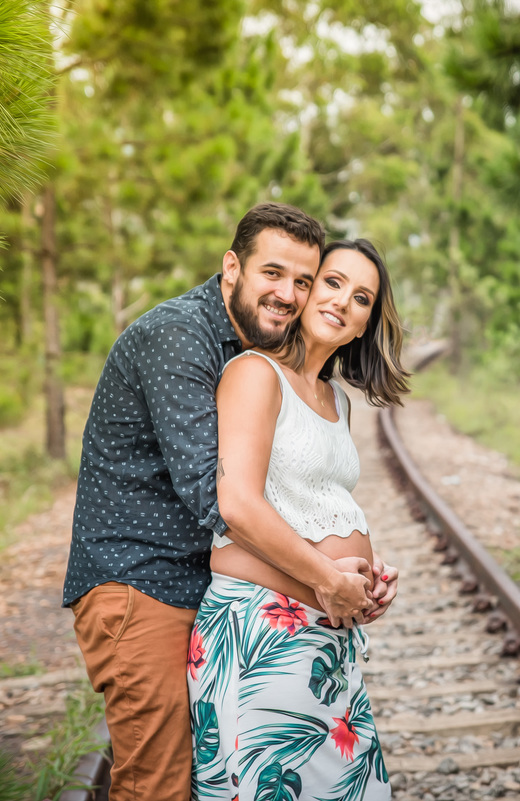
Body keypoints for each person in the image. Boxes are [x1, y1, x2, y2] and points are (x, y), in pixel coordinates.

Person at [62, 205, 400, 801]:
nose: (288, 294)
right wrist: (327, 581)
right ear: (231, 268)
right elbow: (223, 504)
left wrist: (352, 584)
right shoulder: (182, 339)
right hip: (142, 585)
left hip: (215, 590)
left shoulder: (267, 355)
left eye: (303, 280)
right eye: (273, 274)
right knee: (157, 785)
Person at [187, 239, 409, 800]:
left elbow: (313, 500)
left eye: (362, 298)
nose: (342, 302)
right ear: (305, 292)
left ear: (364, 325)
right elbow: (236, 506)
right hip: (260, 633)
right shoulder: (254, 373)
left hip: (326, 639)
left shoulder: (337, 400)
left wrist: (365, 572)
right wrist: (330, 577)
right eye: (332, 283)